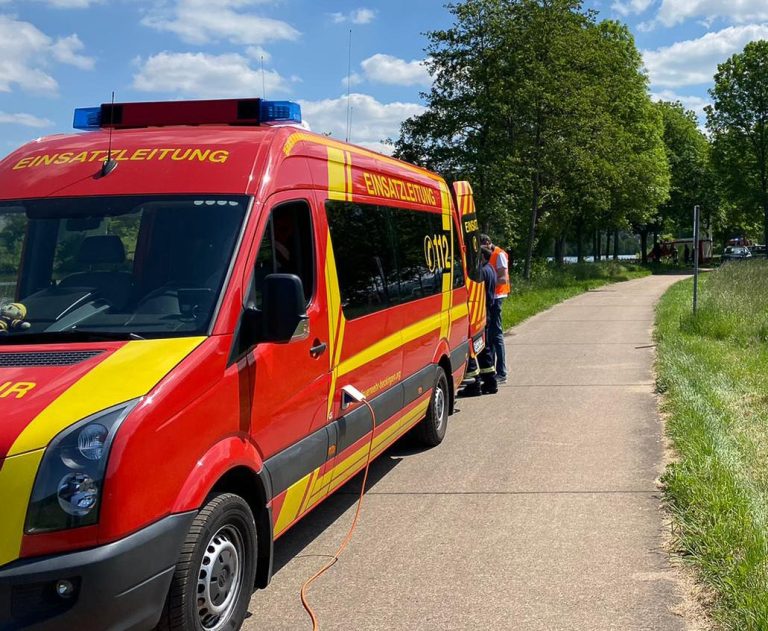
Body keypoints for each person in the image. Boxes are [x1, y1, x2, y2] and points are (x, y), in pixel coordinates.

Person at [461, 246, 498, 396]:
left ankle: (476, 384)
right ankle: (489, 382)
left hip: (479, 313)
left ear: (482, 255)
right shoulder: (490, 269)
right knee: (484, 348)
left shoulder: (482, 272)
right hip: (486, 312)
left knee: (477, 349)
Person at [480, 233, 509, 383]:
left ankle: (502, 372)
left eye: (482, 246)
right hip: (490, 297)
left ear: (488, 242)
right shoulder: (488, 255)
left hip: (497, 297)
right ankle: (490, 370)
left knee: (496, 335)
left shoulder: (499, 255)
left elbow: (503, 278)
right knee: (489, 335)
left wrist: (487, 281)